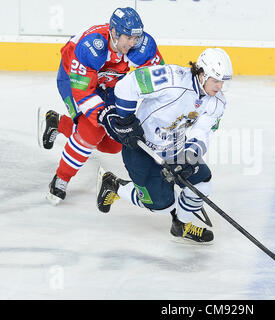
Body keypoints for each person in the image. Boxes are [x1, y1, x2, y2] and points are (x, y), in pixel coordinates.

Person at [96, 48, 233, 244]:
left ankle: (181, 226)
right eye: (215, 80)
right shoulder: (172, 78)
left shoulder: (217, 102)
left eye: (223, 82)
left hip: (174, 148)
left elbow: (202, 131)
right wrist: (125, 120)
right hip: (140, 147)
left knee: (202, 184)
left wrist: (190, 154)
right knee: (160, 204)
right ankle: (114, 185)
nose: (219, 87)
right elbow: (128, 85)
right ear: (201, 74)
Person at [40, 7, 164, 204]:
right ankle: (61, 177)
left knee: (114, 144)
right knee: (91, 133)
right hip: (74, 79)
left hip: (110, 85)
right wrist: (102, 114)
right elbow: (84, 92)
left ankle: (58, 123)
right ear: (114, 33)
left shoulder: (143, 46)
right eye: (128, 38)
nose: (133, 44)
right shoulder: (91, 47)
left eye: (136, 39)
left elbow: (160, 83)